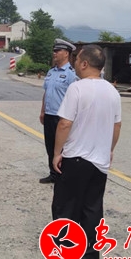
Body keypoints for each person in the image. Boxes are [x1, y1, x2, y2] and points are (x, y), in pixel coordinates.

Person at [35, 44, 122, 259]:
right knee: (92, 210)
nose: (74, 62)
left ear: (84, 64)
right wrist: (109, 150)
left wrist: (57, 153)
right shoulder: (112, 91)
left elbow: (64, 123)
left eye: (77, 59)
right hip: (99, 162)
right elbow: (116, 126)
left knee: (65, 209)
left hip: (75, 159)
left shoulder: (77, 88)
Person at [39, 39, 77, 184]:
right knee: (50, 146)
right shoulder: (51, 72)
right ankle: (53, 174)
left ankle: (63, 176)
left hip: (62, 117)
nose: (54, 53)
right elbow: (46, 92)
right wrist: (43, 111)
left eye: (57, 51)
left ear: (66, 53)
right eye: (54, 51)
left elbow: (75, 97)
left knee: (62, 147)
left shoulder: (71, 74)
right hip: (49, 115)